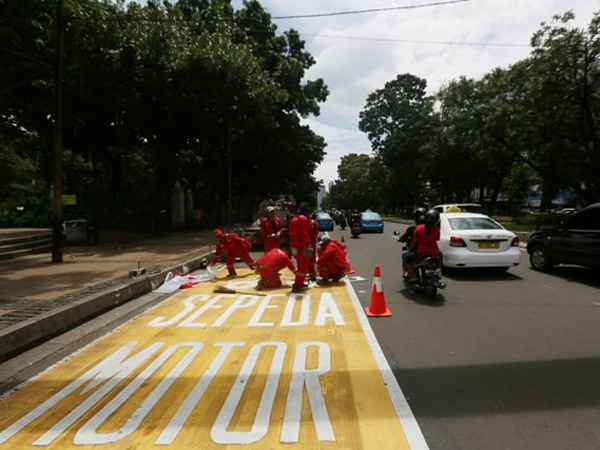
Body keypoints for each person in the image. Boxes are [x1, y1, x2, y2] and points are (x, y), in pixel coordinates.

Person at [405, 209, 442, 283]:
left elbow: (414, 242)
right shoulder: (436, 229)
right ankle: (438, 274)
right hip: (435, 252)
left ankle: (413, 277)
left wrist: (410, 249)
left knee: (405, 258)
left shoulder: (419, 228)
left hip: (422, 253)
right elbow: (437, 239)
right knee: (439, 260)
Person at [288, 202, 312, 292]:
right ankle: (298, 285)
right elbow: (304, 235)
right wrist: (306, 248)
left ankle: (299, 282)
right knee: (303, 267)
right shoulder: (303, 219)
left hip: (294, 246)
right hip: (300, 247)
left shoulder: (293, 219)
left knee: (300, 265)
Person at [399, 207, 427, 278]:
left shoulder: (414, 228)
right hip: (432, 251)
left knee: (405, 257)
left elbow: (412, 242)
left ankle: (412, 276)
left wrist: (402, 240)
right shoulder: (432, 227)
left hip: (419, 252)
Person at [307, 215, 319, 280]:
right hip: (307, 244)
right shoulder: (309, 223)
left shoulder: (312, 223)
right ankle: (310, 272)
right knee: (308, 258)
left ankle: (311, 272)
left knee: (310, 258)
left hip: (309, 244)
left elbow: (315, 234)